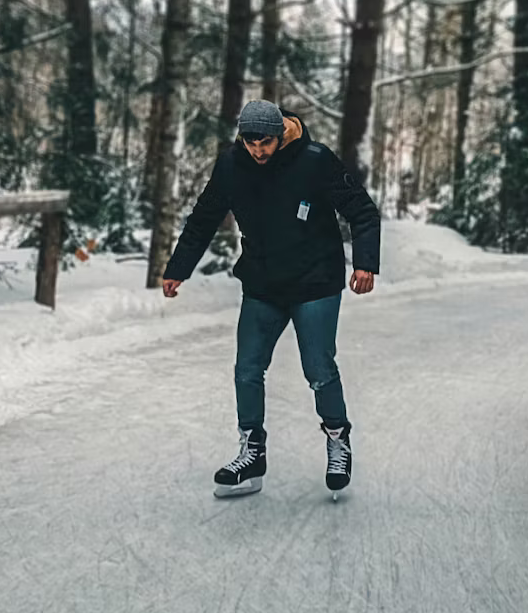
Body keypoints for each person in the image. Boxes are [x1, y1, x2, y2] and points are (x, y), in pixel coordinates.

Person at [161, 99, 381, 500]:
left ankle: (338, 440)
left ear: (280, 135)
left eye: (265, 143)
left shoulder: (315, 160)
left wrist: (365, 263)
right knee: (247, 368)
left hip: (315, 281)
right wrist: (179, 267)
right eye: (251, 143)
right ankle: (252, 454)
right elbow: (203, 218)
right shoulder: (231, 165)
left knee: (318, 369)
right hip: (263, 283)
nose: (258, 151)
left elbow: (363, 212)